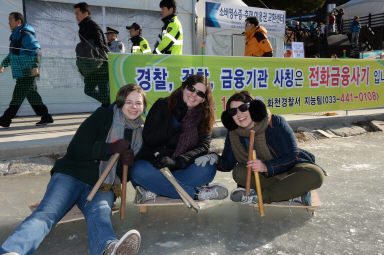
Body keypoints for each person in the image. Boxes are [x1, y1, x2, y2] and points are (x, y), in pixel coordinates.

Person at [0, 84, 146, 255]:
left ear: (143, 107)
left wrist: (125, 164)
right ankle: (12, 251)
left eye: (138, 103)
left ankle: (108, 249)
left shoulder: (139, 136)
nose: (134, 107)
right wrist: (108, 148)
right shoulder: (103, 116)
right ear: (120, 102)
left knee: (100, 213)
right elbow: (76, 149)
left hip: (102, 184)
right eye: (129, 102)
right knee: (48, 213)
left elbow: (121, 176)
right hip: (72, 174)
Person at [195, 91, 325, 205]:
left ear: (253, 108)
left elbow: (292, 155)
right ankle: (293, 193)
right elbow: (228, 163)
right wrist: (215, 158)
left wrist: (266, 166)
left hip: (291, 170)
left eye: (243, 108)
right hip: (265, 177)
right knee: (239, 172)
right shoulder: (234, 133)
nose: (239, 114)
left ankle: (261, 197)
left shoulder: (275, 122)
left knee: (315, 175)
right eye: (233, 111)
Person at [130, 74, 228, 203]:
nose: (193, 95)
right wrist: (175, 121)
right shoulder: (162, 105)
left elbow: (202, 147)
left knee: (208, 168)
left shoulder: (204, 117)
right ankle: (196, 193)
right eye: (191, 89)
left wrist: (178, 162)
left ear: (203, 99)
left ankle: (154, 190)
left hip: (183, 169)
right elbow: (149, 138)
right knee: (138, 170)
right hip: (156, 169)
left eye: (200, 93)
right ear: (183, 87)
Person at [0, 12, 53, 128]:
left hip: (27, 70)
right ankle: (46, 116)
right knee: (32, 95)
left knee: (17, 95)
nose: (9, 22)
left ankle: (5, 119)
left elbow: (36, 50)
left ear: (18, 22)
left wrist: (35, 66)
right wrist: (3, 64)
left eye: (10, 20)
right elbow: (12, 55)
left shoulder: (25, 35)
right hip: (21, 71)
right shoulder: (15, 36)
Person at [74, 2, 110, 106]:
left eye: (77, 13)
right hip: (92, 66)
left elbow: (101, 44)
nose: (76, 16)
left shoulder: (92, 26)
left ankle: (111, 107)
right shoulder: (83, 27)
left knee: (101, 91)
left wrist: (104, 60)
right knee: (90, 90)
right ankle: (110, 106)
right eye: (75, 14)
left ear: (85, 13)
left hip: (101, 65)